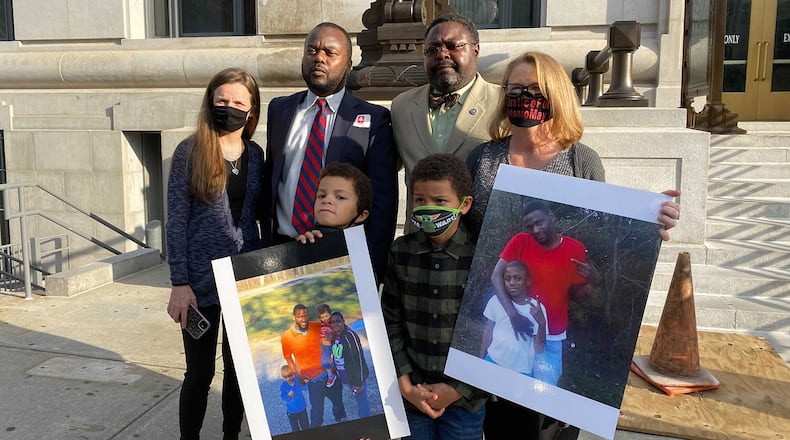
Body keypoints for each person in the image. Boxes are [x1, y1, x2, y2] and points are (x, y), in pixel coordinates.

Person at [465, 51, 681, 440]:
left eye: (535, 89)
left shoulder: (582, 160)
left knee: (549, 427)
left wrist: (651, 221)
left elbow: (605, 224)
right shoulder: (482, 159)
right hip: (501, 321)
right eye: (514, 89)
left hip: (557, 324)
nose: (523, 96)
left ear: (557, 95)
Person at [165, 67, 264, 440]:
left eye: (238, 101)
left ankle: (230, 436)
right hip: (199, 282)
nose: (230, 107)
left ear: (252, 109)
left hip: (243, 279)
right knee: (200, 373)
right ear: (210, 103)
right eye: (222, 100)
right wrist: (180, 282)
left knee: (238, 370)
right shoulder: (189, 151)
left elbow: (258, 216)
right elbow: (176, 221)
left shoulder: (255, 154)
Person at [263, 22, 397, 281]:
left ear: (348, 64)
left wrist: (373, 270)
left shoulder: (373, 118)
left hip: (339, 254)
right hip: (281, 251)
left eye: (329, 52)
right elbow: (273, 180)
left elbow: (383, 203)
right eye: (312, 50)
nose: (319, 58)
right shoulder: (280, 109)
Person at [381, 154, 488, 440]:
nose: (428, 209)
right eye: (420, 200)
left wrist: (457, 390)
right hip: (413, 394)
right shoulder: (400, 252)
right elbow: (390, 321)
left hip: (466, 399)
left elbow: (491, 333)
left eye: (440, 202)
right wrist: (405, 384)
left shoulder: (483, 257)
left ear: (464, 204)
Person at [391, 13, 502, 231]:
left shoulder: (503, 104)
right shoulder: (401, 107)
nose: (442, 54)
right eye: (433, 49)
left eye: (453, 46)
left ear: (476, 50)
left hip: (475, 245)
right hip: (417, 246)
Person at [281, 303, 347, 428]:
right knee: (316, 416)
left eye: (305, 315)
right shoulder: (287, 337)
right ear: (294, 317)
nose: (304, 319)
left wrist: (331, 337)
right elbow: (288, 358)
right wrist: (297, 375)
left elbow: (334, 335)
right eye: (300, 316)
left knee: (339, 406)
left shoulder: (317, 326)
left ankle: (343, 425)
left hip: (329, 377)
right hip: (313, 383)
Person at [480, 260, 547, 376]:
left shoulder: (538, 309)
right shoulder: (496, 301)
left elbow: (539, 349)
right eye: (507, 278)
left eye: (518, 278)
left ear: (528, 281)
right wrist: (481, 359)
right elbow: (488, 333)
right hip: (492, 360)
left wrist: (542, 324)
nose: (512, 282)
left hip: (521, 371)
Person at [295, 161, 372, 244]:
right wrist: (302, 250)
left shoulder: (362, 249)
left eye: (340, 197)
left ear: (361, 215)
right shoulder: (309, 239)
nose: (326, 200)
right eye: (321, 196)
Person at [329, 311, 372, 418]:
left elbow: (358, 359)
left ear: (343, 321)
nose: (335, 324)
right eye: (332, 322)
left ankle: (366, 425)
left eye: (338, 321)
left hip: (356, 379)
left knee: (362, 403)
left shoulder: (350, 335)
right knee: (358, 400)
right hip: (347, 377)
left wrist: (358, 382)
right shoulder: (336, 337)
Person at [279, 364, 309, 432]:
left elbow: (305, 388)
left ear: (293, 374)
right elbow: (283, 397)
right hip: (291, 412)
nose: (288, 378)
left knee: (305, 427)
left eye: (290, 376)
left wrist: (306, 383)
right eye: (285, 377)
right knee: (295, 429)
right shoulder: (283, 386)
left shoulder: (297, 380)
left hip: (302, 409)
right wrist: (288, 396)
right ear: (282, 377)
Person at [316, 303, 338, 388]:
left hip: (333, 344)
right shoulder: (320, 325)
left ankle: (335, 373)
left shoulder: (333, 323)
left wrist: (332, 337)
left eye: (326, 316)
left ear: (330, 313)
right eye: (322, 317)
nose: (325, 319)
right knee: (325, 362)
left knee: (337, 359)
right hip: (325, 347)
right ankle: (331, 375)